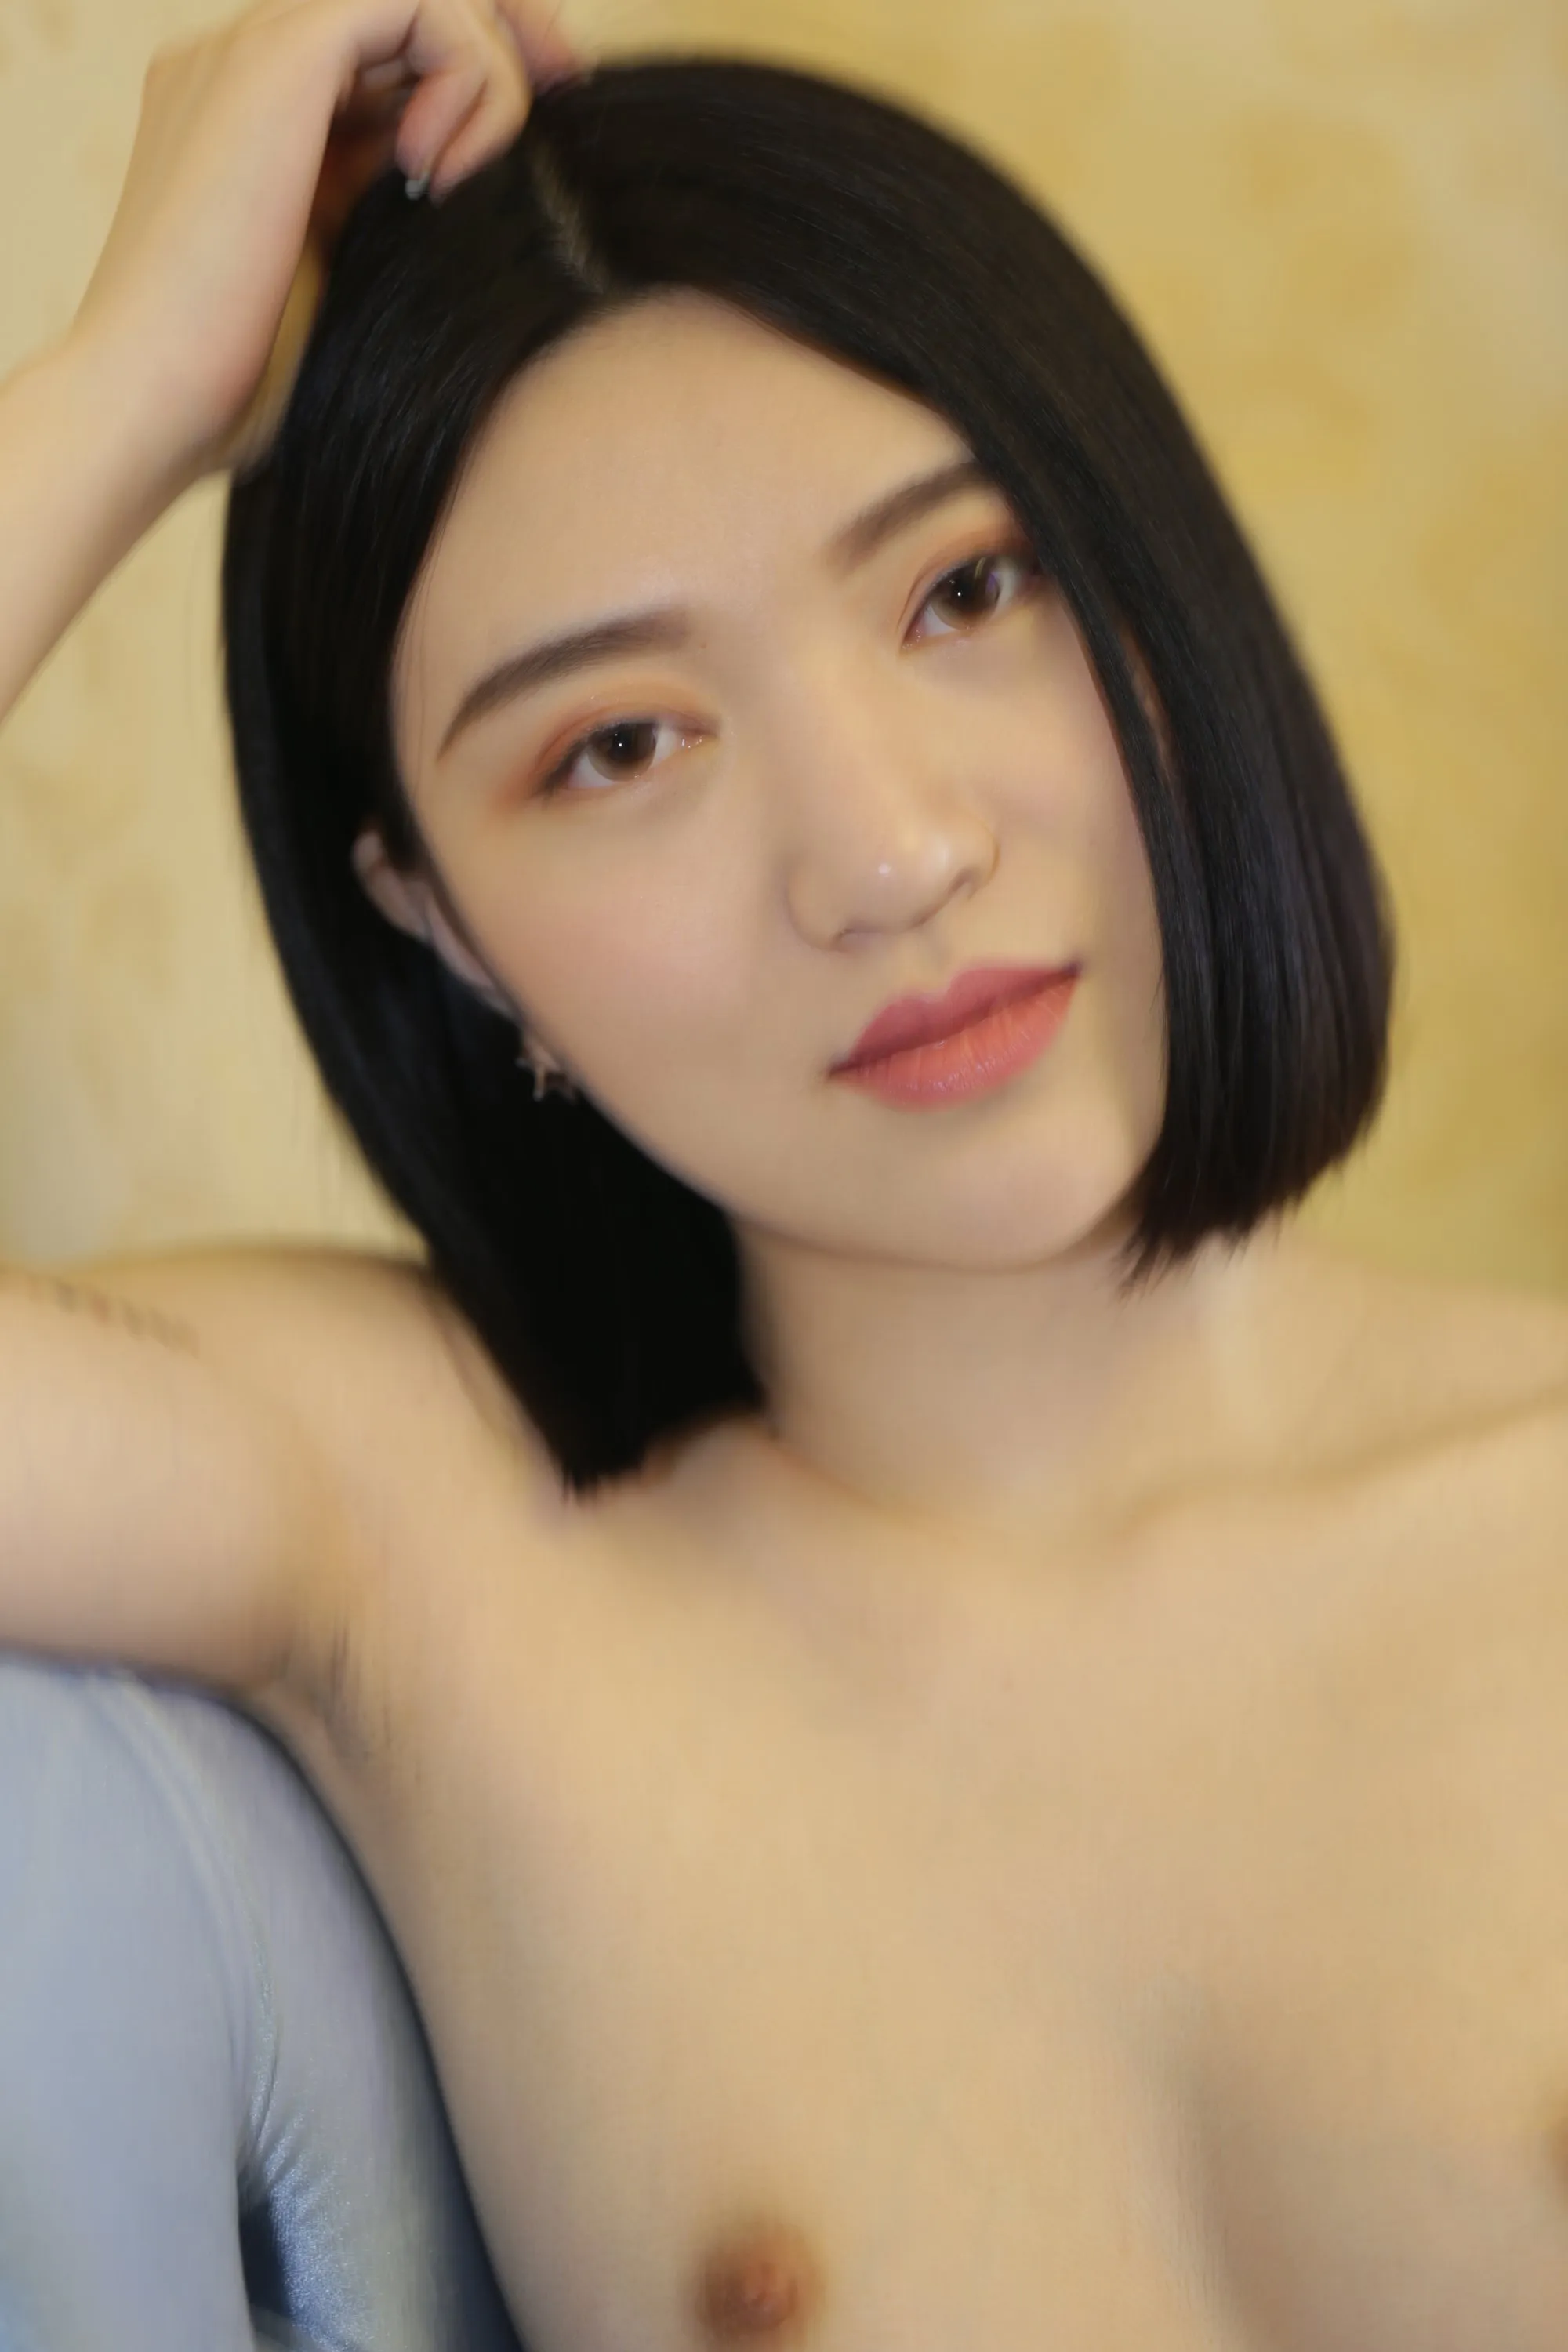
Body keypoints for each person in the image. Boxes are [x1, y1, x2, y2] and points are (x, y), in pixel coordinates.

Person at [1, 2, 1565, 2346]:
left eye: (965, 591)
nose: (886, 855)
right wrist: (127, 387)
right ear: (441, 922)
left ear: (1160, 592)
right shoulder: (431, 1540)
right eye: (622, 744)